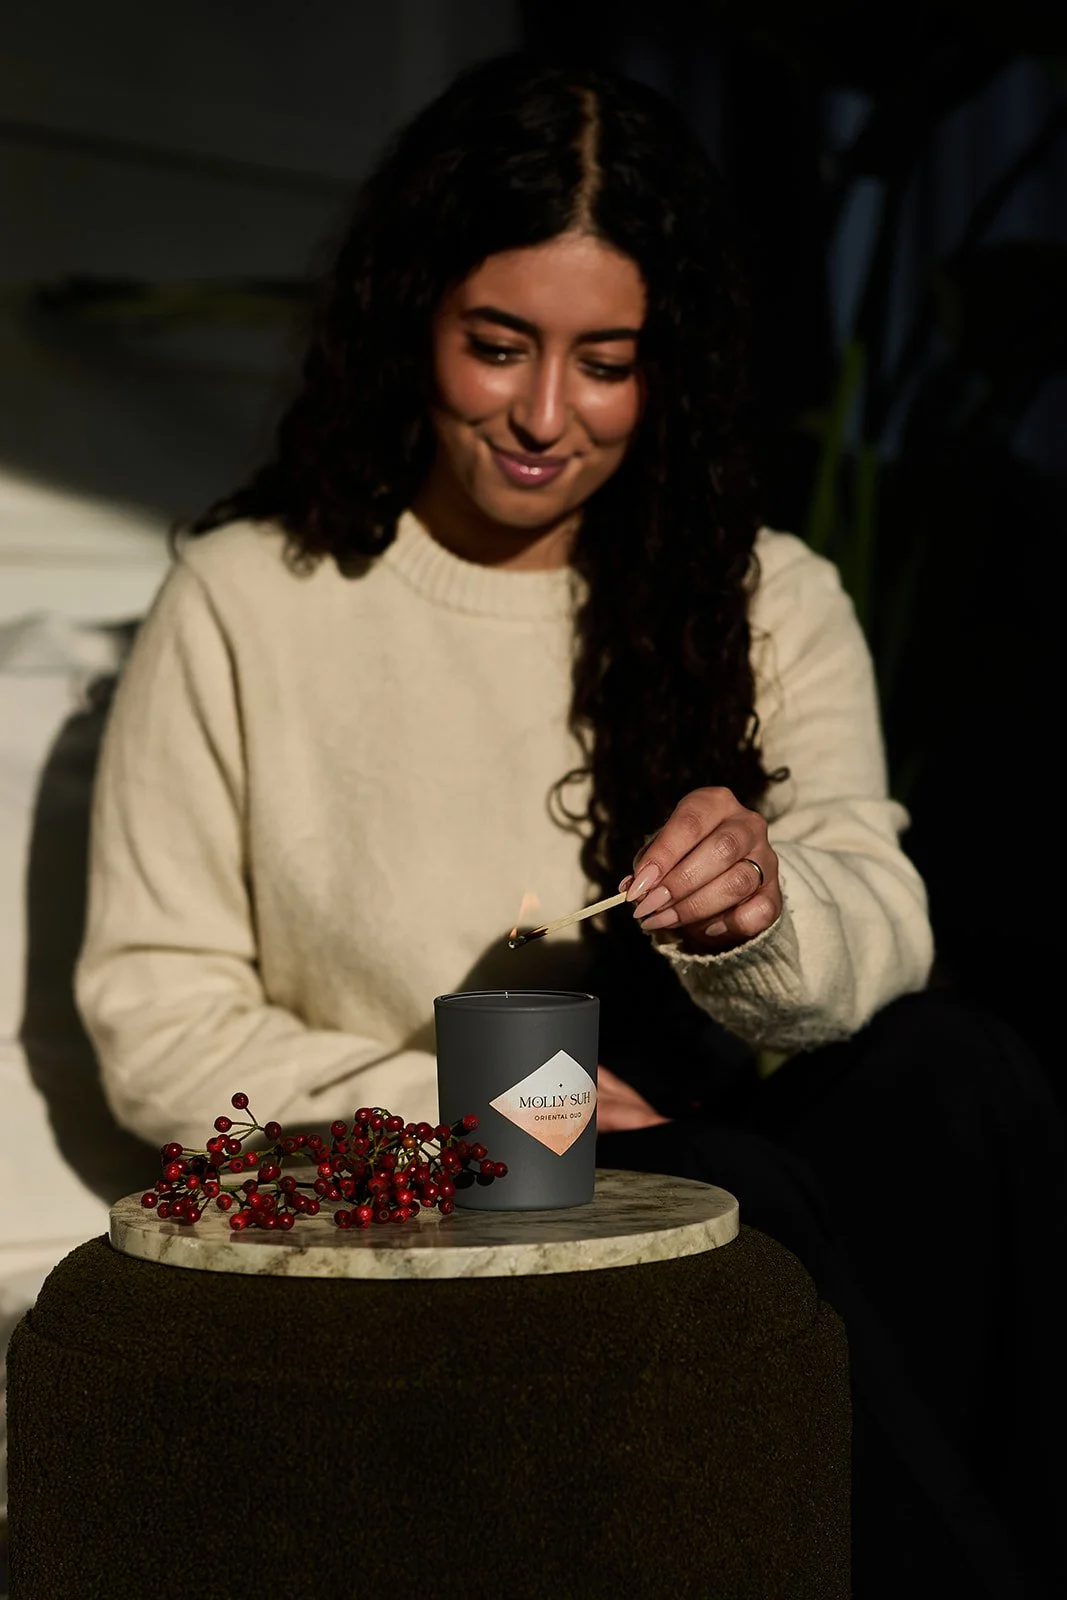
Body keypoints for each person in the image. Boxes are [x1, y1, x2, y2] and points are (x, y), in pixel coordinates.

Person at [74, 52, 1063, 1597]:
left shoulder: (766, 593)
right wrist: (503, 1108)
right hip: (426, 1203)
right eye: (496, 346)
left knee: (958, 1079)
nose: (546, 416)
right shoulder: (247, 599)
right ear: (414, 319)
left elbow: (880, 925)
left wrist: (763, 906)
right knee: (746, 1196)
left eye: (607, 361)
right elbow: (155, 1015)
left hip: (726, 1162)